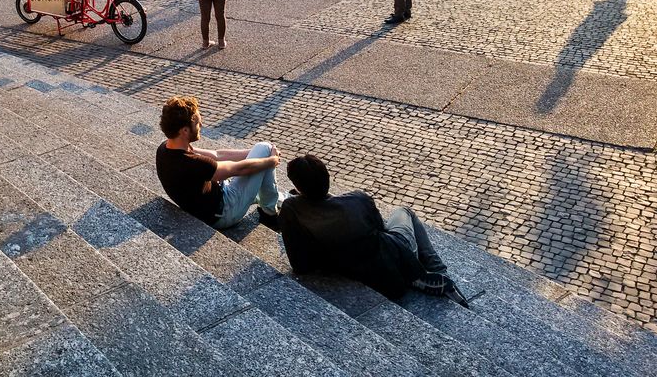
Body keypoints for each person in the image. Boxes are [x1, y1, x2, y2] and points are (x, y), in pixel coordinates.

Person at [279, 155, 469, 306]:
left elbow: (299, 265)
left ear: (297, 187)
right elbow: (382, 230)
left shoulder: (292, 209)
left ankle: (420, 272)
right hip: (391, 254)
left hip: (347, 266)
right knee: (404, 212)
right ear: (328, 178)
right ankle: (437, 270)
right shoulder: (358, 200)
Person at [155, 96, 282, 230]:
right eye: (197, 123)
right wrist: (271, 160)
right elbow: (239, 169)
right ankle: (270, 215)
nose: (201, 126)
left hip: (211, 200)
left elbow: (217, 155)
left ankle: (270, 200)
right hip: (224, 213)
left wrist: (254, 152)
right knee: (265, 147)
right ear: (185, 130)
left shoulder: (166, 147)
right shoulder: (192, 164)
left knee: (262, 152)